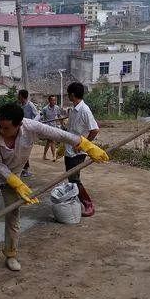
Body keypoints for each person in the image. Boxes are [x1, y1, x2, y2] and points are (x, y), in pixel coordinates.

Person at [0, 102, 108, 273]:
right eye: (0, 126)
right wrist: (19, 184)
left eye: (7, 128)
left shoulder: (31, 128)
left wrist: (86, 145)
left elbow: (59, 134)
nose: (2, 131)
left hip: (13, 174)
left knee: (13, 213)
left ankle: (11, 254)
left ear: (19, 125)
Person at [64, 82, 101, 217]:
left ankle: (88, 204)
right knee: (70, 178)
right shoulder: (73, 110)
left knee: (74, 179)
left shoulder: (85, 110)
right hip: (69, 149)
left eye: (68, 94)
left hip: (78, 152)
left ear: (72, 94)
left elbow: (95, 129)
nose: (68, 96)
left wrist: (84, 144)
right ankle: (75, 202)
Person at [17, 89, 39, 177]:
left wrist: (32, 123)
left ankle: (25, 169)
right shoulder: (20, 106)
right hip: (21, 130)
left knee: (24, 149)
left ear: (22, 96)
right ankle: (22, 168)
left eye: (19, 95)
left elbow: (37, 115)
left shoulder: (30, 105)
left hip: (28, 131)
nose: (17, 97)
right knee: (20, 149)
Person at [40, 95, 64, 161]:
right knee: (52, 141)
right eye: (52, 100)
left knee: (49, 141)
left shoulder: (57, 108)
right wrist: (42, 123)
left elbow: (59, 116)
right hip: (47, 127)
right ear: (49, 101)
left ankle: (44, 155)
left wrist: (62, 124)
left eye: (55, 100)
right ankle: (54, 156)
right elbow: (41, 117)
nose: (54, 102)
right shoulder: (45, 109)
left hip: (54, 126)